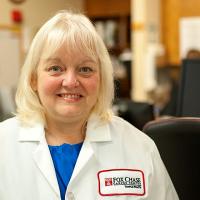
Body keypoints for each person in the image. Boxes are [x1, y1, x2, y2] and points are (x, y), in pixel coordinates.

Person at [0, 10, 179, 200]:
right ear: (34, 79)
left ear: (101, 79)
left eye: (85, 69)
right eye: (55, 68)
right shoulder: (4, 144)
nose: (70, 81)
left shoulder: (140, 148)